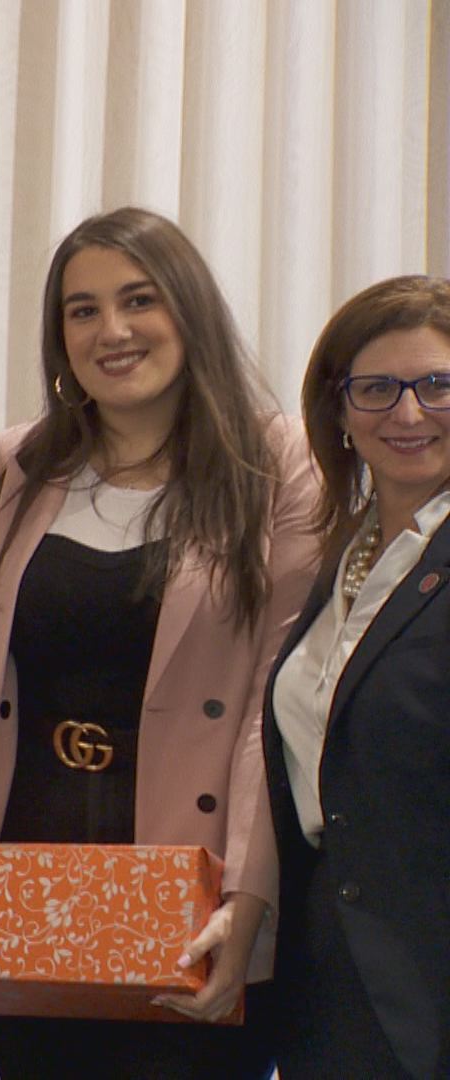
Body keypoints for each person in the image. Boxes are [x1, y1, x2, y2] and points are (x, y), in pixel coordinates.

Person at [0, 207, 322, 1078]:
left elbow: (273, 705)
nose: (112, 330)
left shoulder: (276, 461)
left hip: (194, 894)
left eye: (139, 300)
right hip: (25, 891)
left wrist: (248, 898)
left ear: (190, 310)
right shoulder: (7, 468)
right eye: (82, 310)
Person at [264, 275, 450, 1079]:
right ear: (337, 410)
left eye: (437, 385)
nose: (407, 414)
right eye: (376, 389)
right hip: (332, 969)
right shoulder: (338, 558)